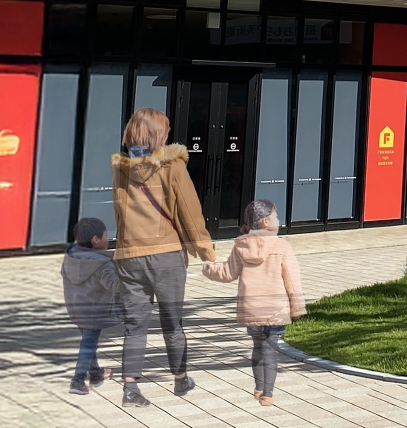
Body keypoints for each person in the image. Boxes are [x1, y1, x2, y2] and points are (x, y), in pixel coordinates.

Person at [111, 107, 214, 407]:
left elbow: (119, 213)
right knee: (172, 321)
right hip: (165, 255)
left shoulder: (121, 168)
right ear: (159, 134)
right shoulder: (172, 166)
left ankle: (130, 387)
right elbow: (189, 211)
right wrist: (204, 250)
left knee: (135, 324)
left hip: (129, 254)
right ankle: (180, 378)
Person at [202, 198, 306, 408]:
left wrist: (208, 268)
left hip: (251, 308)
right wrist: (297, 307)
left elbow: (227, 273)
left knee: (257, 347)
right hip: (275, 309)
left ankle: (258, 387)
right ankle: (267, 394)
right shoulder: (281, 246)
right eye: (276, 216)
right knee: (270, 350)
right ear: (266, 222)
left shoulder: (241, 245)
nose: (278, 220)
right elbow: (292, 279)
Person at [59, 217, 117, 394]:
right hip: (95, 311)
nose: (108, 239)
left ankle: (96, 374)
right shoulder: (102, 264)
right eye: (106, 236)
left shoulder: (71, 256)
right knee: (88, 345)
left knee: (88, 343)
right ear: (96, 240)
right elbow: (114, 285)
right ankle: (77, 381)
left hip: (76, 308)